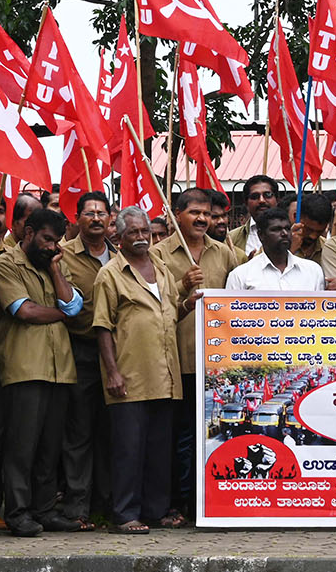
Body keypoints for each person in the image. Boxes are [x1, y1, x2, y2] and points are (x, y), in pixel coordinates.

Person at [92, 207, 191, 534]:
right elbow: (102, 326)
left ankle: (154, 510)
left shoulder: (161, 268)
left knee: (158, 450)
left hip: (165, 375)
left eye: (144, 231)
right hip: (130, 375)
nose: (140, 238)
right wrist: (112, 372)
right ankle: (125, 514)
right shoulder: (110, 274)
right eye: (132, 232)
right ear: (118, 238)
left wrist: (191, 302)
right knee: (128, 450)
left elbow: (172, 311)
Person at [0, 208, 83, 537]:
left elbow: (74, 306)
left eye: (56, 242)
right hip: (24, 369)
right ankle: (17, 513)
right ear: (28, 233)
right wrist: (63, 313)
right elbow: (24, 311)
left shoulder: (53, 264)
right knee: (22, 446)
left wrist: (57, 268)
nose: (51, 246)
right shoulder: (5, 264)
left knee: (50, 446)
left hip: (60, 369)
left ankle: (44, 510)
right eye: (46, 239)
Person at [156, 187, 229, 525]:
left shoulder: (227, 253)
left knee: (209, 436)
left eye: (207, 214)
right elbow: (154, 310)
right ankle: (178, 504)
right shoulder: (158, 255)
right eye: (194, 213)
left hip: (216, 363)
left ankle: (209, 503)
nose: (202, 219)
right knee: (178, 438)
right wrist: (183, 287)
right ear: (176, 214)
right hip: (178, 361)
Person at [54, 191, 116, 529]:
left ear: (110, 219)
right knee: (79, 432)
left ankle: (106, 503)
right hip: (80, 349)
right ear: (76, 218)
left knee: (111, 432)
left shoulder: (120, 256)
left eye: (101, 213)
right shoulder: (64, 257)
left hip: (118, 355)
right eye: (89, 213)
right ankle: (77, 505)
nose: (95, 218)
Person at [225, 207, 327, 293]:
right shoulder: (240, 275)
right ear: (261, 235)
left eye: (287, 228)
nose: (284, 233)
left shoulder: (313, 271)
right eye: (276, 229)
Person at [226, 175, 283, 255]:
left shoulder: (292, 234)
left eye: (268, 195)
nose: (261, 200)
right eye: (255, 196)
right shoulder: (232, 238)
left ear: (277, 200)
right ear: (246, 203)